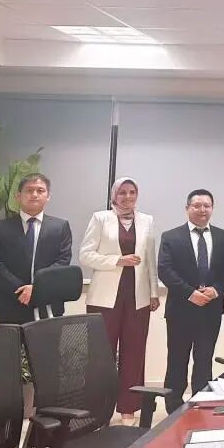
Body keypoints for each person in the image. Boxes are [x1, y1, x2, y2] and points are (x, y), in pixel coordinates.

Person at [79, 177, 160, 425]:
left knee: (134, 352)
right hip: (104, 298)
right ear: (114, 195)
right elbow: (85, 255)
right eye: (122, 192)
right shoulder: (100, 218)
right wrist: (117, 261)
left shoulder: (147, 220)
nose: (127, 197)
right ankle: (98, 410)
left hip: (137, 297)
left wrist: (154, 292)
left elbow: (150, 259)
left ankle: (129, 409)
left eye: (132, 192)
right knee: (101, 355)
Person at [158, 189, 224, 412]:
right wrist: (190, 293)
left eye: (207, 206)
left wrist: (216, 290)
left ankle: (200, 406)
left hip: (210, 309)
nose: (202, 210)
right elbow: (165, 270)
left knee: (204, 360)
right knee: (177, 360)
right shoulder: (171, 236)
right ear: (187, 208)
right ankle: (173, 408)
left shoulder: (223, 237)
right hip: (181, 309)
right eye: (197, 206)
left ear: (212, 209)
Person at [0, 173, 72, 323]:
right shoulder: (0, 228)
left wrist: (36, 288)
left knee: (45, 339)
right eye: (29, 190)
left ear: (48, 196)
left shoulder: (60, 227)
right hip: (10, 303)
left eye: (40, 190)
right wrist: (22, 289)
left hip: (48, 303)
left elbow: (63, 261)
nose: (34, 194)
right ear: (18, 196)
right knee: (9, 340)